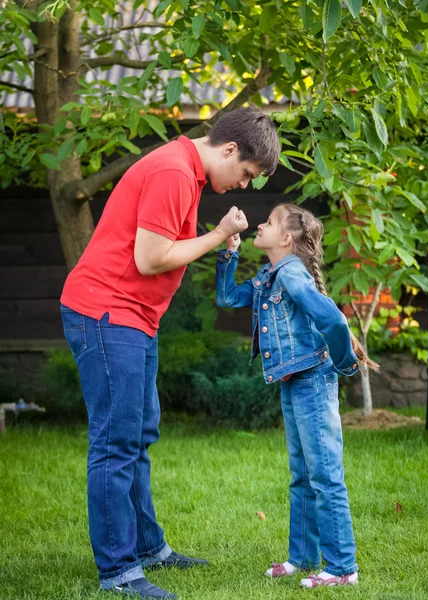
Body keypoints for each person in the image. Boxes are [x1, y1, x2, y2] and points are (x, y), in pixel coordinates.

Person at [60, 107, 280, 599]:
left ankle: (148, 548)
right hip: (106, 313)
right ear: (228, 150)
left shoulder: (186, 171)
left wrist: (217, 240)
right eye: (246, 173)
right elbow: (150, 257)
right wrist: (220, 235)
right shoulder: (174, 171)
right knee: (115, 444)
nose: (245, 185)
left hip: (134, 317)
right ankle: (118, 572)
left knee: (137, 434)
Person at [215, 203, 379, 589]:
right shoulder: (271, 275)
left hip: (312, 379)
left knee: (324, 476)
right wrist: (230, 252)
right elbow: (227, 297)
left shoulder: (290, 273)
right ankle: (303, 557)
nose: (260, 223)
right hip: (294, 380)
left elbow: (333, 319)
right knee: (302, 475)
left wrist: (344, 366)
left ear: (286, 238)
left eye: (269, 222)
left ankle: (342, 568)